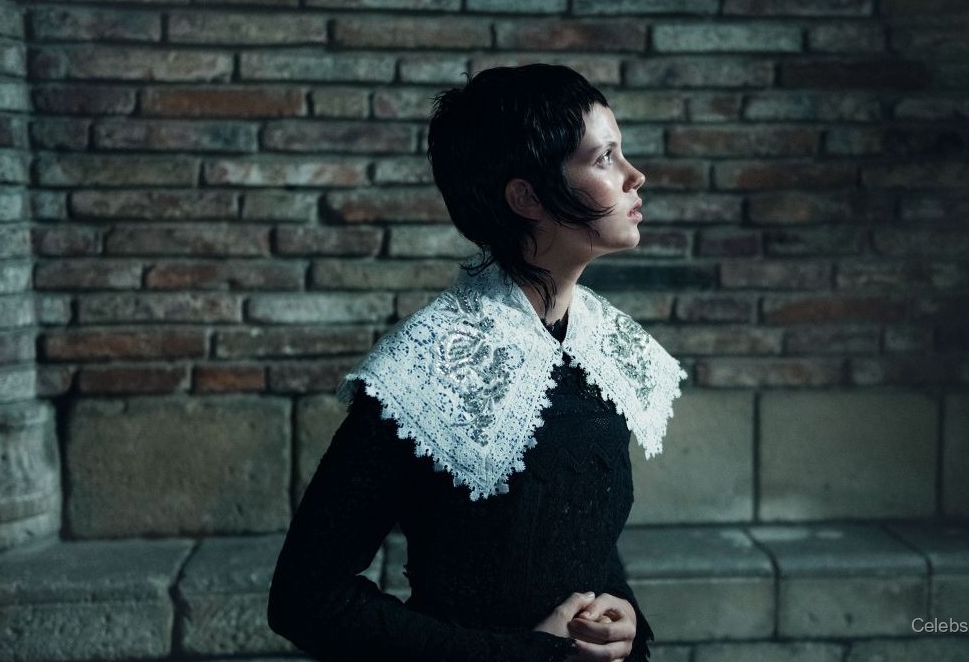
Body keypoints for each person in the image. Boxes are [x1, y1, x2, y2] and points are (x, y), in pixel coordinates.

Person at [267, 64, 686, 662]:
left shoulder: (605, 347)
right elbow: (306, 598)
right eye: (604, 158)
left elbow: (578, 544)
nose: (634, 175)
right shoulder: (427, 368)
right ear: (527, 198)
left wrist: (622, 619)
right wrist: (525, 655)